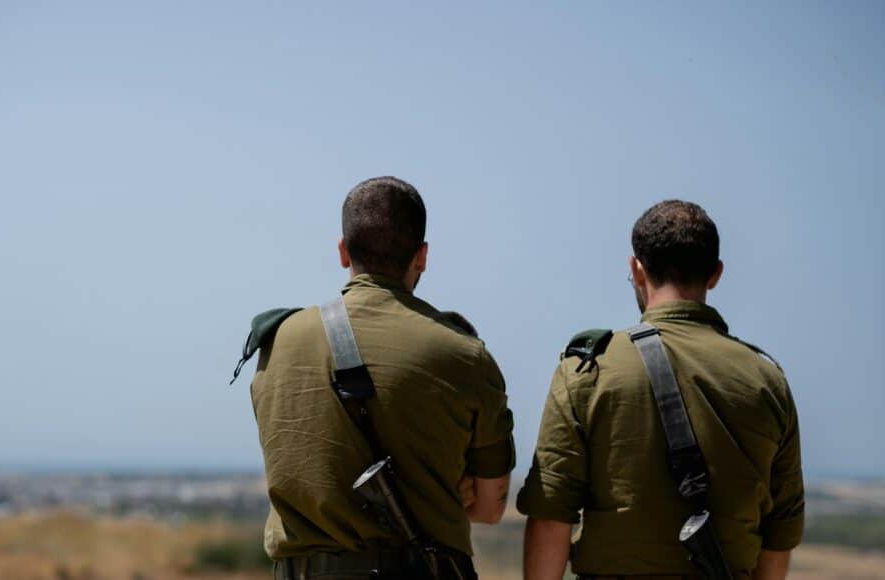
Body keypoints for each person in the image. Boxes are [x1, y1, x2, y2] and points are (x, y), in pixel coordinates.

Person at [233, 176, 516, 579]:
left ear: (343, 251)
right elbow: (488, 508)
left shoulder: (277, 344)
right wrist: (443, 490)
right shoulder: (465, 355)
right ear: (422, 256)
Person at [517, 200, 804, 580]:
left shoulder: (588, 369)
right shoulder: (768, 382)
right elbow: (779, 536)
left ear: (637, 269)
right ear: (715, 274)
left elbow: (550, 515)